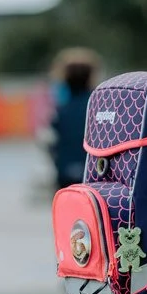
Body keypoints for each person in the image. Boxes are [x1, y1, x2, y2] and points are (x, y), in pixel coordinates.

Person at [47, 48, 101, 190]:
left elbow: (49, 142)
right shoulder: (100, 109)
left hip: (65, 174)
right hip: (95, 176)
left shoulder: (59, 111)